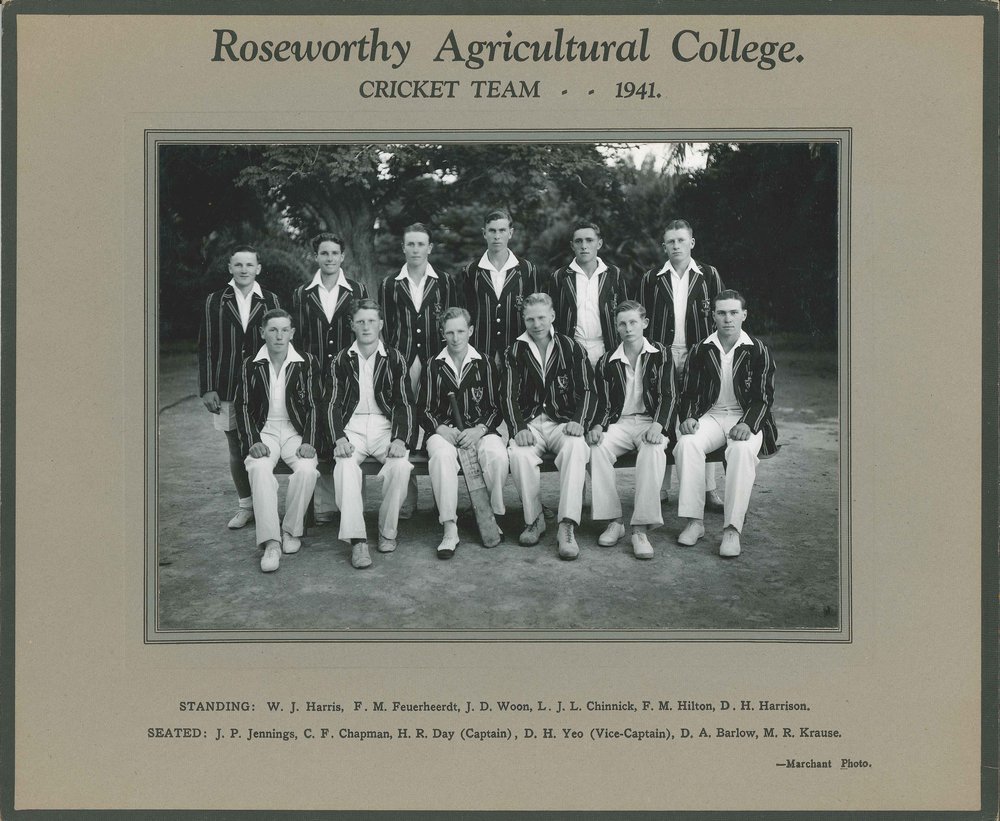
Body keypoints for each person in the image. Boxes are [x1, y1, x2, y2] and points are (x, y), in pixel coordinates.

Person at [673, 290, 778, 557]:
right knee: (686, 444)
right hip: (710, 415)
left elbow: (764, 398)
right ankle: (694, 522)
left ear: (744, 315)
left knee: (741, 450)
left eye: (733, 313)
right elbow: (688, 393)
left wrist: (748, 423)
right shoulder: (701, 349)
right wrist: (688, 416)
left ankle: (732, 529)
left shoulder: (758, 349)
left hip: (744, 417)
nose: (727, 319)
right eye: (721, 313)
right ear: (713, 316)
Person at [637, 219, 726, 507]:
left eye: (681, 240)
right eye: (670, 241)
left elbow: (720, 312)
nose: (676, 245)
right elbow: (641, 320)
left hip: (698, 355)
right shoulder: (652, 278)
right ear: (664, 246)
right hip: (662, 355)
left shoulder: (708, 275)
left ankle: (708, 488)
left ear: (692, 242)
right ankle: (660, 489)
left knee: (698, 415)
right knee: (661, 414)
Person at [502, 293, 595, 560]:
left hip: (561, 421)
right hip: (530, 422)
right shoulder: (515, 350)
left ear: (552, 316)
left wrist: (579, 421)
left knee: (577, 447)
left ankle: (566, 525)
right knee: (518, 454)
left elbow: (588, 389)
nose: (536, 323)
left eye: (542, 317)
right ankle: (535, 519)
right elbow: (508, 395)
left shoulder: (570, 347)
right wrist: (518, 427)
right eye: (530, 319)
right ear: (523, 320)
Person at [198, 244, 282, 530]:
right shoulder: (215, 301)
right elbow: (207, 345)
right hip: (227, 385)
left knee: (263, 440)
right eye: (238, 265)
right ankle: (246, 506)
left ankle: (266, 504)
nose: (244, 270)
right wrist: (209, 387)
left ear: (258, 268)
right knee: (235, 446)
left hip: (263, 384)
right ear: (230, 268)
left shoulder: (270, 299)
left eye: (250, 265)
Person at [378, 222, 459, 517]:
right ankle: (407, 498)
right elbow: (386, 326)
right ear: (403, 248)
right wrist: (396, 359)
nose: (415, 249)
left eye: (420, 244)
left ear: (429, 248)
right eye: (410, 244)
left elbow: (451, 321)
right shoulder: (390, 284)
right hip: (403, 361)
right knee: (405, 424)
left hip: (436, 361)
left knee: (437, 423)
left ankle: (442, 495)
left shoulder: (445, 282)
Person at [327, 298, 416, 569]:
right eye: (361, 322)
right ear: (352, 325)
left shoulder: (395, 357)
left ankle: (388, 530)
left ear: (380, 324)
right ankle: (358, 540)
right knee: (344, 467)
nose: (366, 327)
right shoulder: (341, 359)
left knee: (400, 466)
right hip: (351, 426)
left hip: (384, 426)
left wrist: (400, 438)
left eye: (371, 321)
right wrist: (339, 437)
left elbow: (404, 402)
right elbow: (331, 402)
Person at [291, 232, 370, 524]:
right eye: (323, 253)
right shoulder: (302, 293)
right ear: (316, 257)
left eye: (334, 253)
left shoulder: (356, 289)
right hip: (314, 371)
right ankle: (325, 505)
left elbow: (360, 331)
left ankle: (353, 504)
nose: (329, 258)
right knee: (321, 431)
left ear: (342, 257)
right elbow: (298, 336)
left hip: (346, 371)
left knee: (344, 429)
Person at [234, 309, 321, 573]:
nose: (279, 336)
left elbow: (317, 405)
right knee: (259, 468)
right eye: (273, 330)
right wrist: (253, 439)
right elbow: (244, 406)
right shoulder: (251, 364)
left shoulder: (306, 361)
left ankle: (291, 531)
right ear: (262, 332)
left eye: (285, 330)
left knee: (307, 470)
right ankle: (271, 542)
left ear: (292, 333)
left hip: (296, 432)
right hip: (266, 431)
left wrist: (309, 440)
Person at [587, 301, 676, 559]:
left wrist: (659, 425)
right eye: (622, 324)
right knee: (596, 447)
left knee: (654, 448)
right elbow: (602, 403)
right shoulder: (606, 361)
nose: (628, 328)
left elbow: (669, 395)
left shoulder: (661, 353)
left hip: (650, 421)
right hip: (620, 423)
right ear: (616, 328)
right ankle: (614, 521)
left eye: (633, 322)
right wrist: (597, 426)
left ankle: (640, 529)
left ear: (644, 323)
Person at [418, 307, 509, 558]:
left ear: (470, 331)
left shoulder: (486, 363)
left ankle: (488, 515)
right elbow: (423, 409)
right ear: (443, 334)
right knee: (441, 457)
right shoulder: (432, 365)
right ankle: (449, 527)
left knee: (498, 456)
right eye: (450, 332)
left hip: (479, 430)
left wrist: (478, 430)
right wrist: (440, 428)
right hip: (445, 432)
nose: (456, 338)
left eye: (460, 331)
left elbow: (496, 408)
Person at [459, 208, 541, 367]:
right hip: (481, 349)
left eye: (502, 230)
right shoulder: (471, 271)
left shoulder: (527, 269)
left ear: (510, 233)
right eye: (492, 231)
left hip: (518, 350)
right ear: (484, 233)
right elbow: (466, 313)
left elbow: (535, 311)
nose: (497, 236)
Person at [545, 221, 630, 367]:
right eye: (579, 241)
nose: (584, 246)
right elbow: (551, 317)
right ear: (572, 245)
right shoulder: (560, 276)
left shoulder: (613, 274)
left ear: (599, 243)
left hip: (608, 348)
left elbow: (626, 312)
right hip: (571, 350)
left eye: (589, 240)